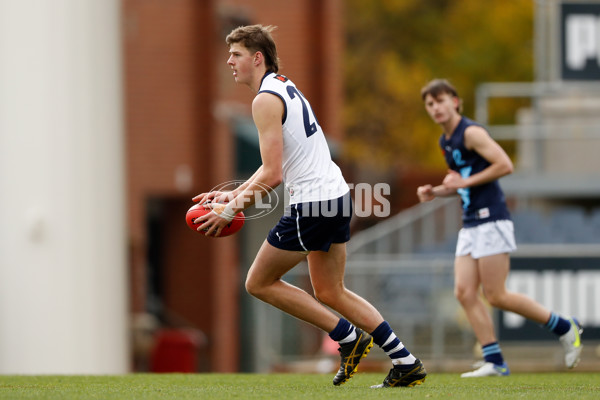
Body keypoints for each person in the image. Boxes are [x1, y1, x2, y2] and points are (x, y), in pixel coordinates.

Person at [193, 24, 426, 388]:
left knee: (258, 282)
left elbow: (272, 174)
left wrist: (229, 209)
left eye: (236, 54)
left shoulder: (264, 100)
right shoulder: (284, 85)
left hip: (313, 203)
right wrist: (231, 196)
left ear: (257, 57)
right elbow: (279, 162)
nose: (229, 61)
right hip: (336, 196)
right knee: (332, 291)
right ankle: (405, 361)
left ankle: (346, 337)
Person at [417, 79, 583, 377]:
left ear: (455, 101)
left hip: (492, 218)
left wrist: (462, 183)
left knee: (496, 295)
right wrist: (436, 191)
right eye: (430, 104)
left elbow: (505, 165)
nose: (436, 108)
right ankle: (494, 360)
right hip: (471, 223)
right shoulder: (446, 141)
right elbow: (463, 181)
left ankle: (564, 326)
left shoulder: (471, 132)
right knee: (464, 292)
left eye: (440, 100)